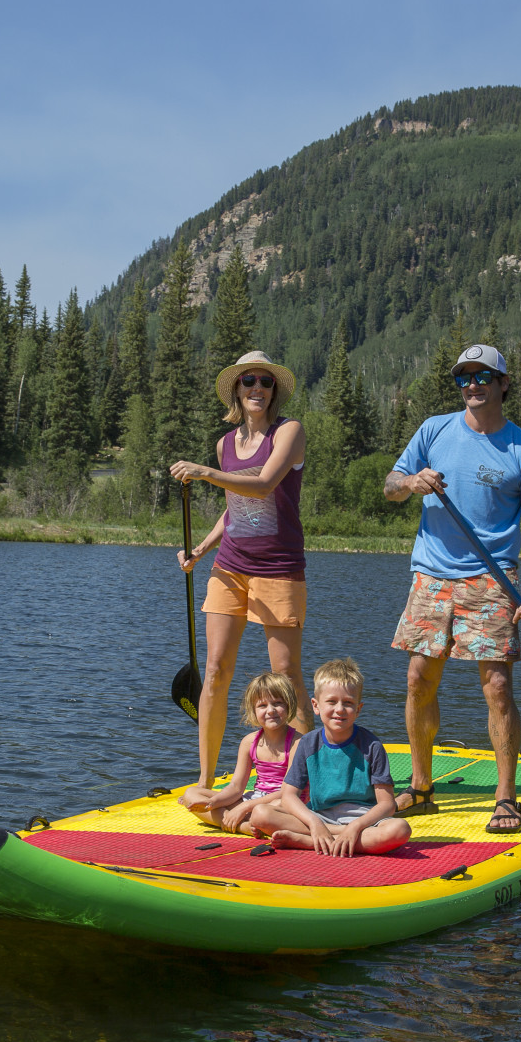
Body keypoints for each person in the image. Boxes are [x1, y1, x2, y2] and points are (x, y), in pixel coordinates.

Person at [383, 341, 521, 835]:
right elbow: (390, 485)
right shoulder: (433, 430)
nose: (473, 385)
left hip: (492, 577)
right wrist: (412, 482)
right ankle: (421, 787)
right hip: (431, 575)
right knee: (419, 678)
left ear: (504, 384)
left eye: (483, 376)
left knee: (497, 685)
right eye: (464, 377)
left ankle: (506, 797)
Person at [172, 351, 310, 810]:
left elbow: (265, 484)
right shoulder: (225, 443)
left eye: (265, 383)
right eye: (249, 380)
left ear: (274, 392)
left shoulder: (288, 432)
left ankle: (311, 780)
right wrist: (201, 549)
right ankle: (206, 779)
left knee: (286, 677)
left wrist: (205, 473)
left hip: (279, 567)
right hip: (229, 566)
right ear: (237, 389)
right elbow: (235, 506)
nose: (257, 388)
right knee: (215, 671)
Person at [251, 659, 411, 857]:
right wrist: (314, 823)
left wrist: (355, 827)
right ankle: (328, 837)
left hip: (363, 820)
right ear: (316, 706)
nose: (340, 709)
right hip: (321, 816)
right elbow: (289, 795)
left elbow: (387, 804)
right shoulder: (308, 744)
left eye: (348, 703)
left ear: (359, 709)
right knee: (260, 814)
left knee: (400, 830)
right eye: (332, 701)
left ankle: (310, 842)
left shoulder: (372, 746)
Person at [187, 672, 301, 835]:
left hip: (281, 803)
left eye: (277, 703)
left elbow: (287, 792)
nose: (270, 710)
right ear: (253, 710)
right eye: (262, 706)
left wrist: (244, 807)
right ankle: (241, 825)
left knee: (268, 810)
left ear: (289, 705)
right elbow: (236, 787)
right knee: (192, 794)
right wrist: (213, 802)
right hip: (254, 799)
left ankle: (244, 820)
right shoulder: (249, 742)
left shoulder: (298, 743)